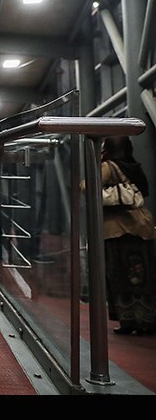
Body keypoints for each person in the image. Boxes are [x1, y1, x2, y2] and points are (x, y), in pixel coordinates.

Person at [98, 136, 155, 335]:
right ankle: (146, 320)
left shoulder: (109, 166)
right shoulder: (134, 167)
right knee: (142, 275)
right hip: (142, 227)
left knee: (119, 275)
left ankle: (128, 321)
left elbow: (86, 186)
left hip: (118, 230)